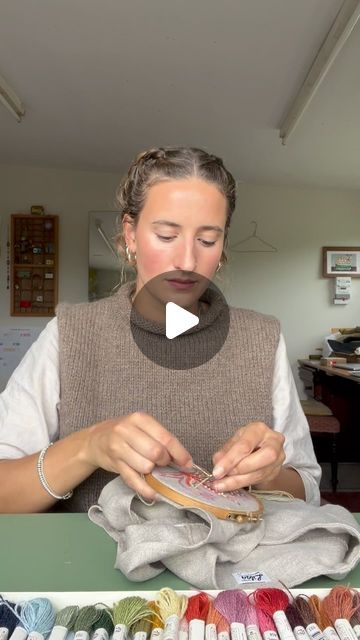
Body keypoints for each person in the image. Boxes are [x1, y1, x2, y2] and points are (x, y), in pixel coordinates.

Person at [0, 147, 321, 513]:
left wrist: (269, 475)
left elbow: (307, 488)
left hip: (232, 568)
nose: (187, 261)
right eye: (167, 235)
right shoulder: (72, 335)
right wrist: (88, 446)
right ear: (131, 235)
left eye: (207, 240)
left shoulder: (261, 339)